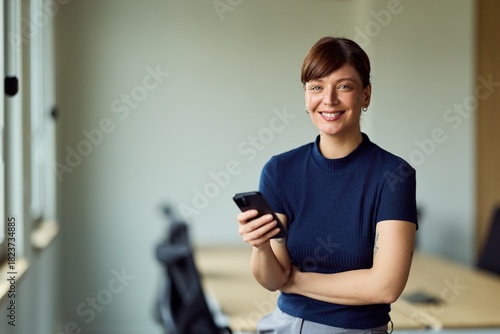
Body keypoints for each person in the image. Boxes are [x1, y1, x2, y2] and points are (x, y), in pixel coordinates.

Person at [237, 36, 418, 334]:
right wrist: (260, 247)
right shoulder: (280, 170)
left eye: (344, 86)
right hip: (287, 325)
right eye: (317, 87)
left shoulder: (394, 175)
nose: (329, 100)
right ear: (306, 97)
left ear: (366, 95)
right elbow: (271, 280)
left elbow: (385, 286)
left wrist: (296, 280)